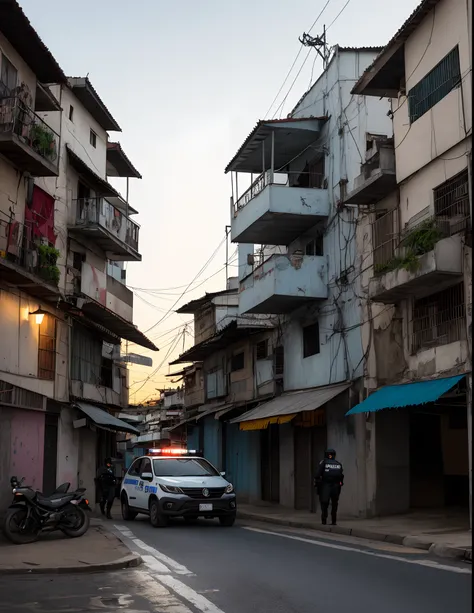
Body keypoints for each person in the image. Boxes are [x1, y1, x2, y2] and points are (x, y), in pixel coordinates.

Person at [314, 448, 344, 526]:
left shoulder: (323, 463)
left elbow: (317, 475)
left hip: (325, 485)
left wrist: (317, 483)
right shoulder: (338, 464)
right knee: (334, 503)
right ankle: (334, 521)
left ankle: (324, 520)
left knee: (324, 503)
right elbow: (341, 476)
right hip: (336, 486)